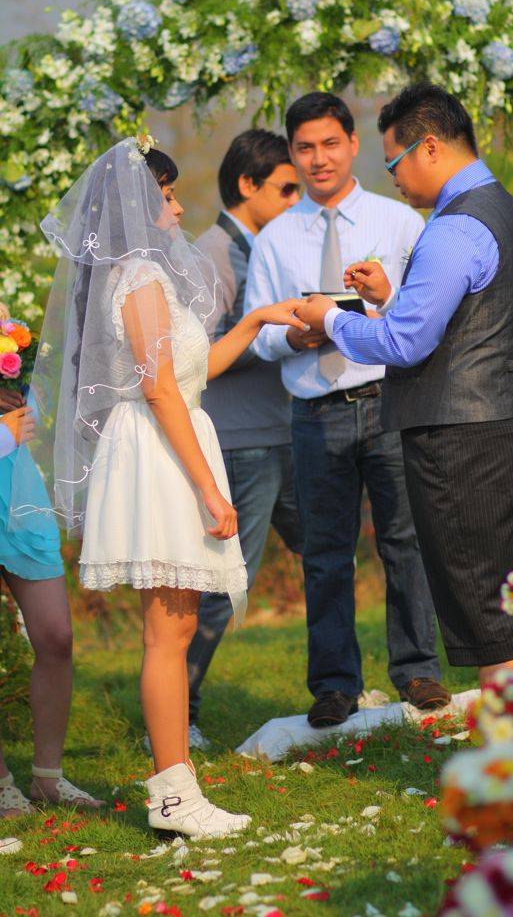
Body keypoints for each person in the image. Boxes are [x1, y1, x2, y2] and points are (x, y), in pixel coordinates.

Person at [10, 138, 306, 837]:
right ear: (138, 206)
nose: (175, 208)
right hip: (159, 452)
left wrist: (256, 320)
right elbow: (160, 391)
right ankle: (173, 794)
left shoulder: (146, 276)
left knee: (173, 627)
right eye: (165, 195)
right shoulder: (139, 276)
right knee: (167, 632)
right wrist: (209, 490)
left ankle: (176, 785)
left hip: (171, 439)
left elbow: (191, 373)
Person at [297, 83, 513, 685]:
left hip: (462, 442)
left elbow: (406, 343)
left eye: (394, 163)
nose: (395, 180)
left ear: (429, 147)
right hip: (511, 421)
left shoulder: (454, 227)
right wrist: (390, 298)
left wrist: (330, 318)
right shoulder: (505, 208)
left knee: (490, 616)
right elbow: (467, 322)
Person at [245, 92, 447, 728]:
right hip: (315, 411)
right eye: (305, 147)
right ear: (291, 153)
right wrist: (294, 336)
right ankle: (334, 686)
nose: (319, 158)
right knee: (325, 554)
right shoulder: (274, 238)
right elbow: (258, 334)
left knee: (405, 542)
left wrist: (380, 303)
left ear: (353, 144)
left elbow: (426, 311)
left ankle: (418, 671)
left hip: (390, 400)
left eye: (330, 143)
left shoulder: (400, 222)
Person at [186, 130, 304, 747]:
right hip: (241, 441)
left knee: (328, 553)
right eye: (285, 189)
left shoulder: (269, 247)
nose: (296, 200)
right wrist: (280, 336)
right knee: (224, 584)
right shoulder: (212, 255)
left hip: (286, 429)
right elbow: (196, 358)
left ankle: (340, 684)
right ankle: (178, 713)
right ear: (247, 185)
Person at [0, 385, 103, 817]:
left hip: (18, 493)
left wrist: (23, 395)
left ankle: (47, 776)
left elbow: (36, 408)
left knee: (56, 637)